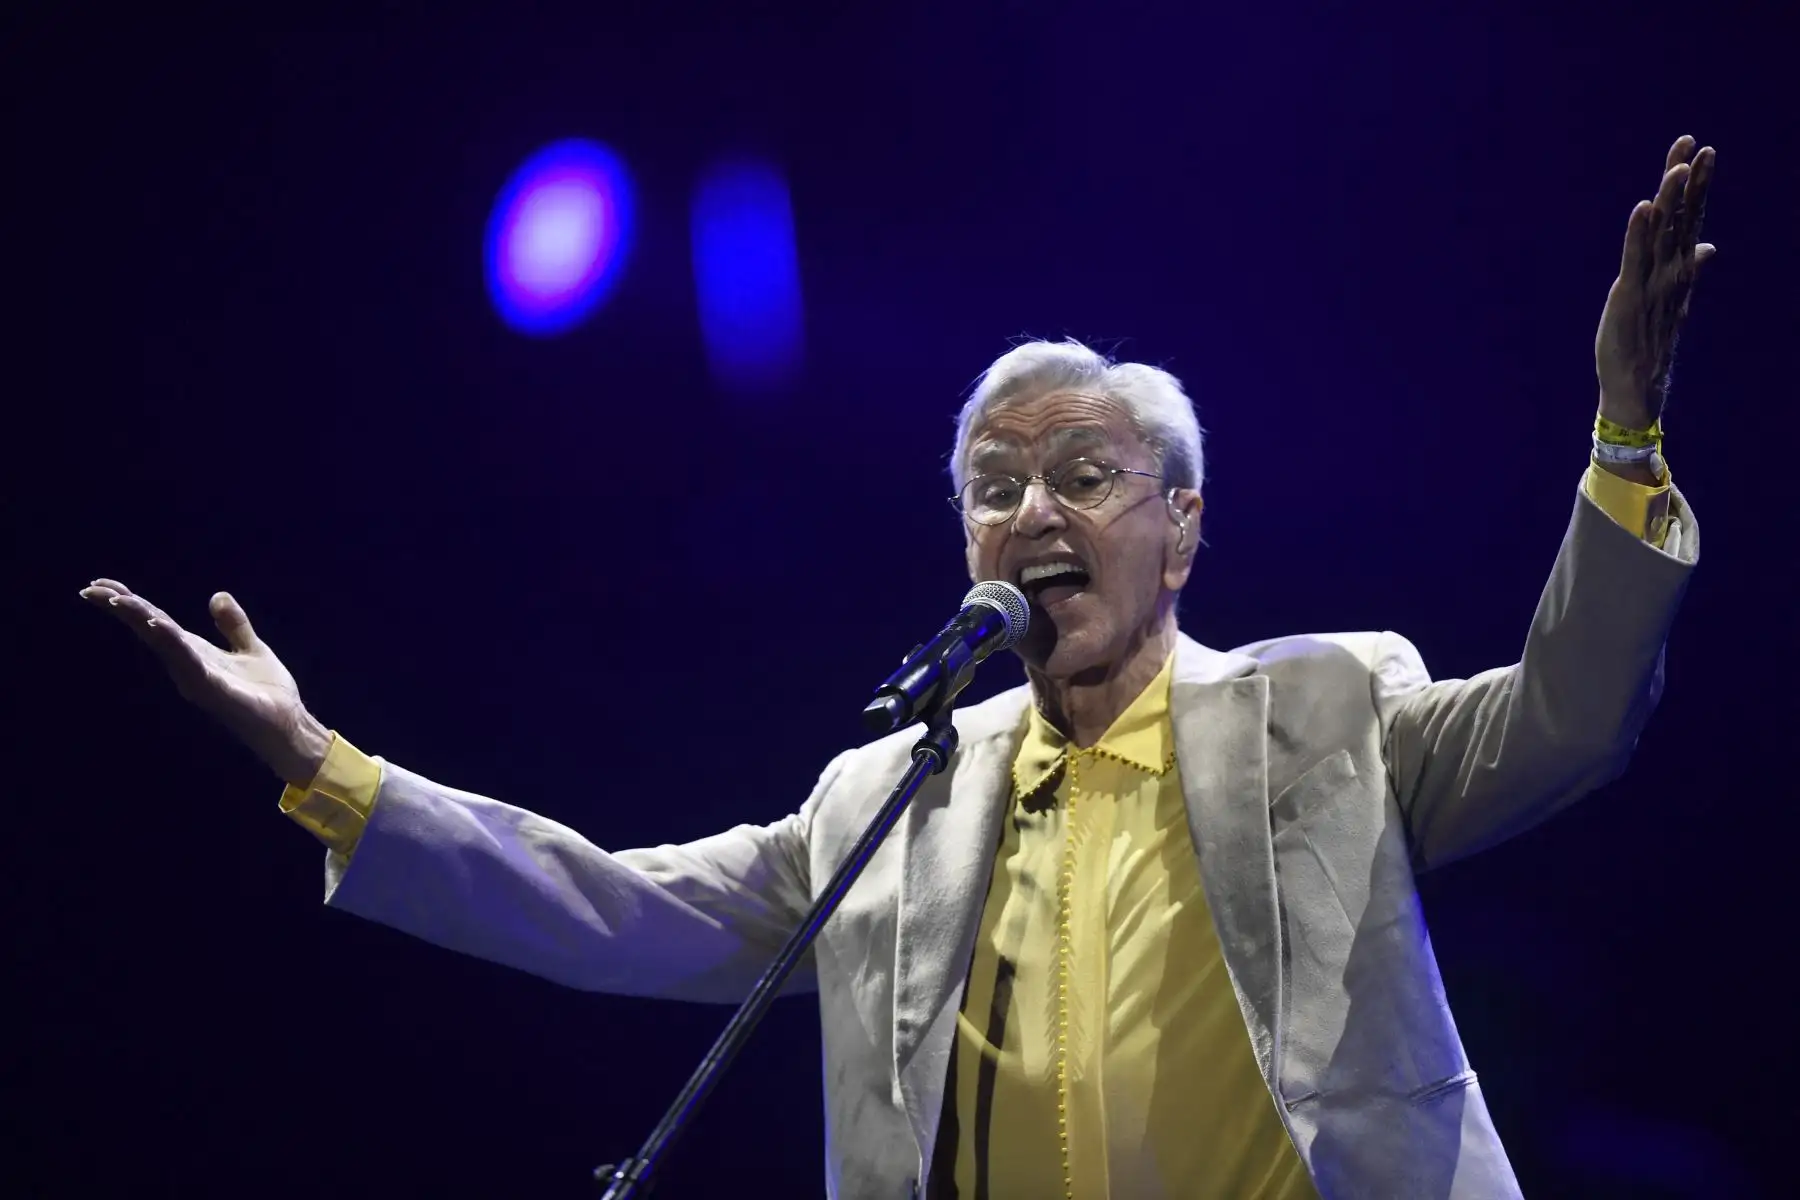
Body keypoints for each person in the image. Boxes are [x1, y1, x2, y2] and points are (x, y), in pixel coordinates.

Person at [82, 135, 1715, 1199]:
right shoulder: (890, 795)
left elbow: (1571, 718)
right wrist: (323, 766)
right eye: (994, 488)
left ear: (1181, 532)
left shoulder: (1326, 709)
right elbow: (609, 904)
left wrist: (1624, 443)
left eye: (1085, 476)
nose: (1032, 513)